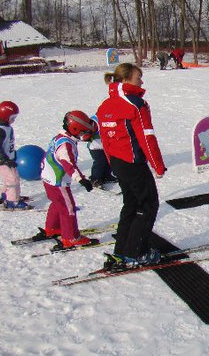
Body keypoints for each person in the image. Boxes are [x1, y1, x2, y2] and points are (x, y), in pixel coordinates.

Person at [97, 63, 167, 268]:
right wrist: (158, 166)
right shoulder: (136, 104)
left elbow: (104, 139)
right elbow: (146, 137)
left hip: (119, 163)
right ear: (126, 80)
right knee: (148, 205)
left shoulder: (105, 105)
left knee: (131, 205)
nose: (142, 81)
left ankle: (122, 249)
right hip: (133, 163)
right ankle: (137, 252)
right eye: (139, 77)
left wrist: (112, 163)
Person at [41, 111, 98, 248]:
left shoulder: (60, 137)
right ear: (75, 129)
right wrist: (81, 179)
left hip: (48, 178)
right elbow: (69, 165)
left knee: (57, 203)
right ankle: (70, 237)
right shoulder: (66, 145)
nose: (84, 136)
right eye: (83, 132)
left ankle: (53, 228)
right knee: (68, 208)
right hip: (58, 181)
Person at [0, 100, 30, 209]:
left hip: (7, 158)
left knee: (10, 178)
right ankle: (12, 201)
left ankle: (6, 195)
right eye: (12, 118)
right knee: (12, 180)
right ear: (5, 116)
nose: (13, 121)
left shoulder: (3, 126)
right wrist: (5, 159)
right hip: (1, 160)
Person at [87, 114, 117, 188]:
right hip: (95, 147)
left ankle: (106, 175)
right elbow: (89, 125)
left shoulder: (112, 118)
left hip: (105, 146)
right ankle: (95, 179)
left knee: (108, 161)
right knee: (100, 162)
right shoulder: (96, 119)